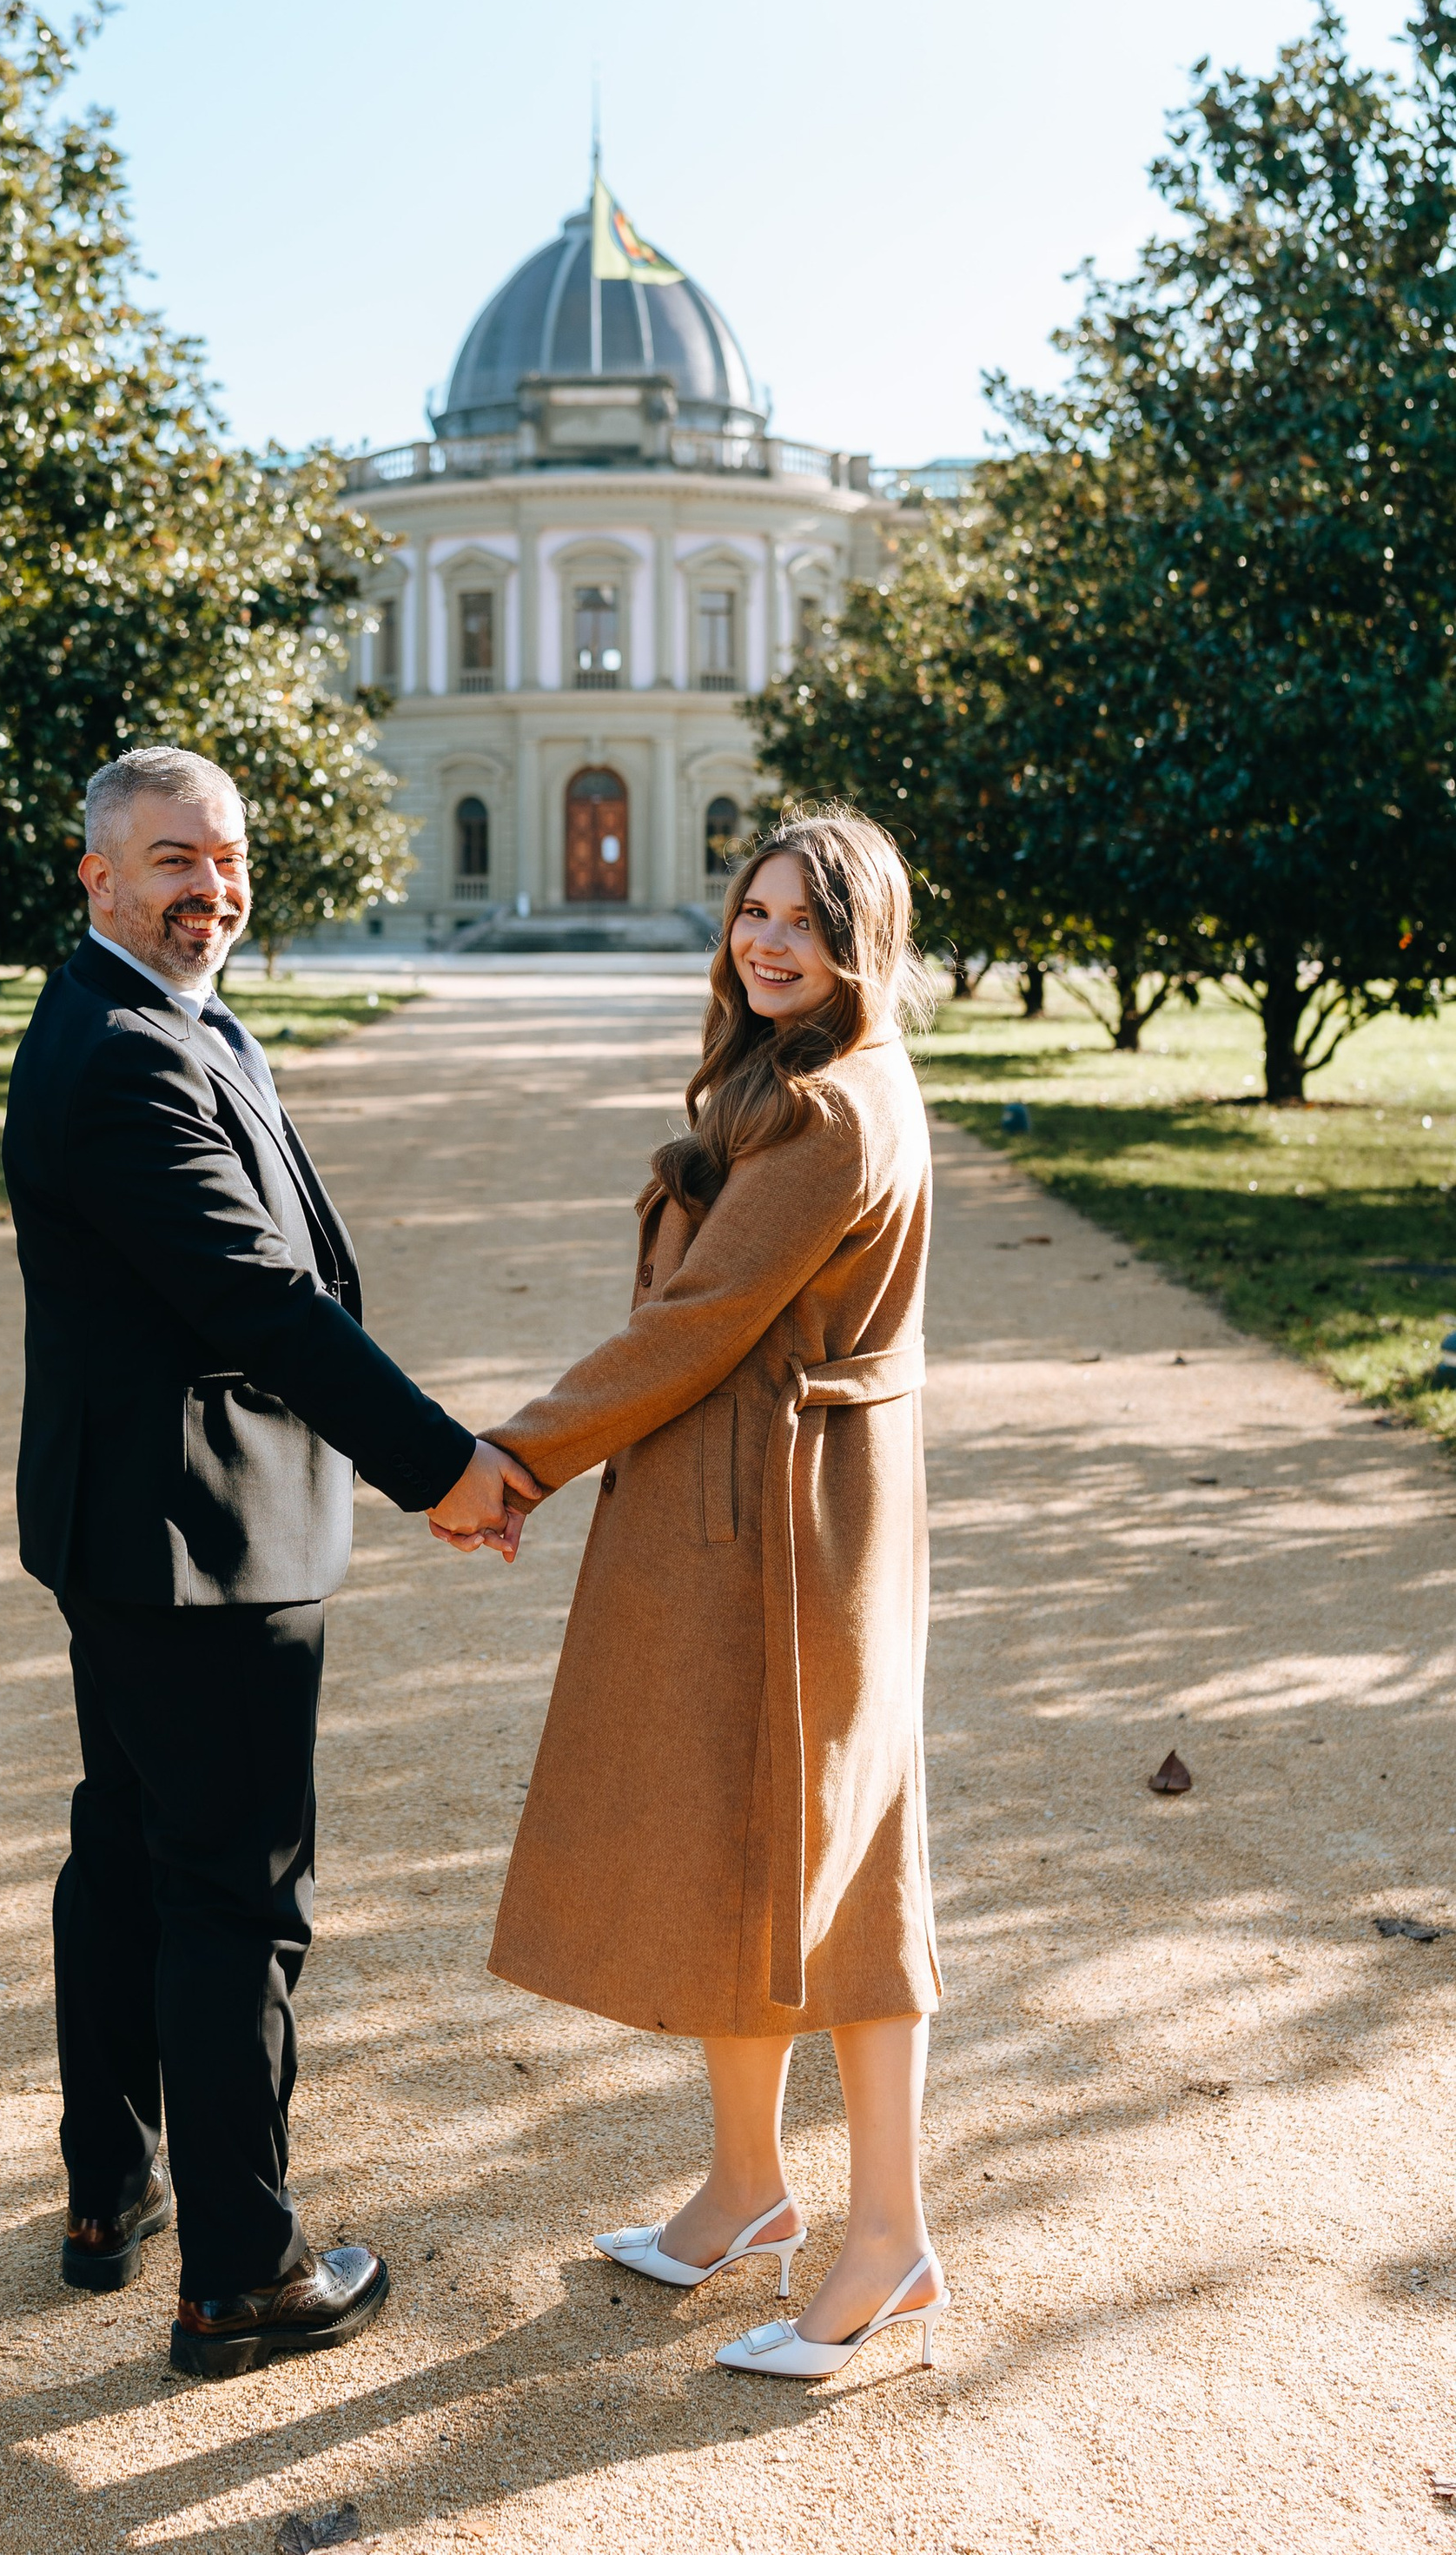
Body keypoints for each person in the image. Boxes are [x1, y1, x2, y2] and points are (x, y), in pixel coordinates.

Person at [4, 742, 539, 2383]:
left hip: (136, 1522)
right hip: (200, 1536)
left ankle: (112, 2188)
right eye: (174, 857)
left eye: (228, 856)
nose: (212, 884)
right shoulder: (123, 1053)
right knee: (233, 1895)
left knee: (126, 1850)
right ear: (97, 875)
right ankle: (242, 2274)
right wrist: (443, 1464)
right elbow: (260, 1300)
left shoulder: (160, 1016)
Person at [454, 810, 950, 2382]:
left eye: (806, 919)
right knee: (742, 1843)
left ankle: (891, 2235)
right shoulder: (789, 1080)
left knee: (840, 1867)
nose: (769, 940)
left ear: (863, 940)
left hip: (789, 1517)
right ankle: (749, 2186)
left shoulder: (834, 1110)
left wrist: (514, 1457)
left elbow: (702, 1319)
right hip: (738, 1501)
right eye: (754, 911)